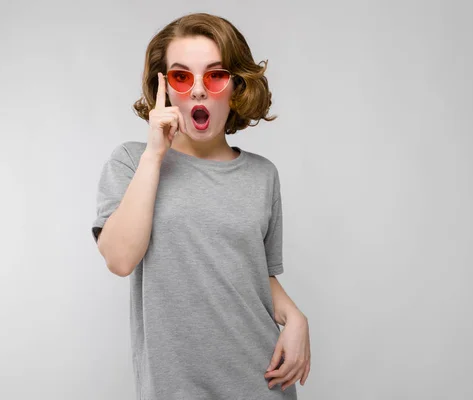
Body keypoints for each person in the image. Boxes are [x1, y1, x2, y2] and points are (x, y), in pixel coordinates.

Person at [92, 12, 311, 399]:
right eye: (181, 76)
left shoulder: (262, 175)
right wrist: (156, 154)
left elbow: (254, 273)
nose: (197, 91)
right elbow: (119, 259)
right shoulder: (132, 161)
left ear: (235, 85)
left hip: (261, 382)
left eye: (214, 75)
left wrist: (294, 317)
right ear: (164, 88)